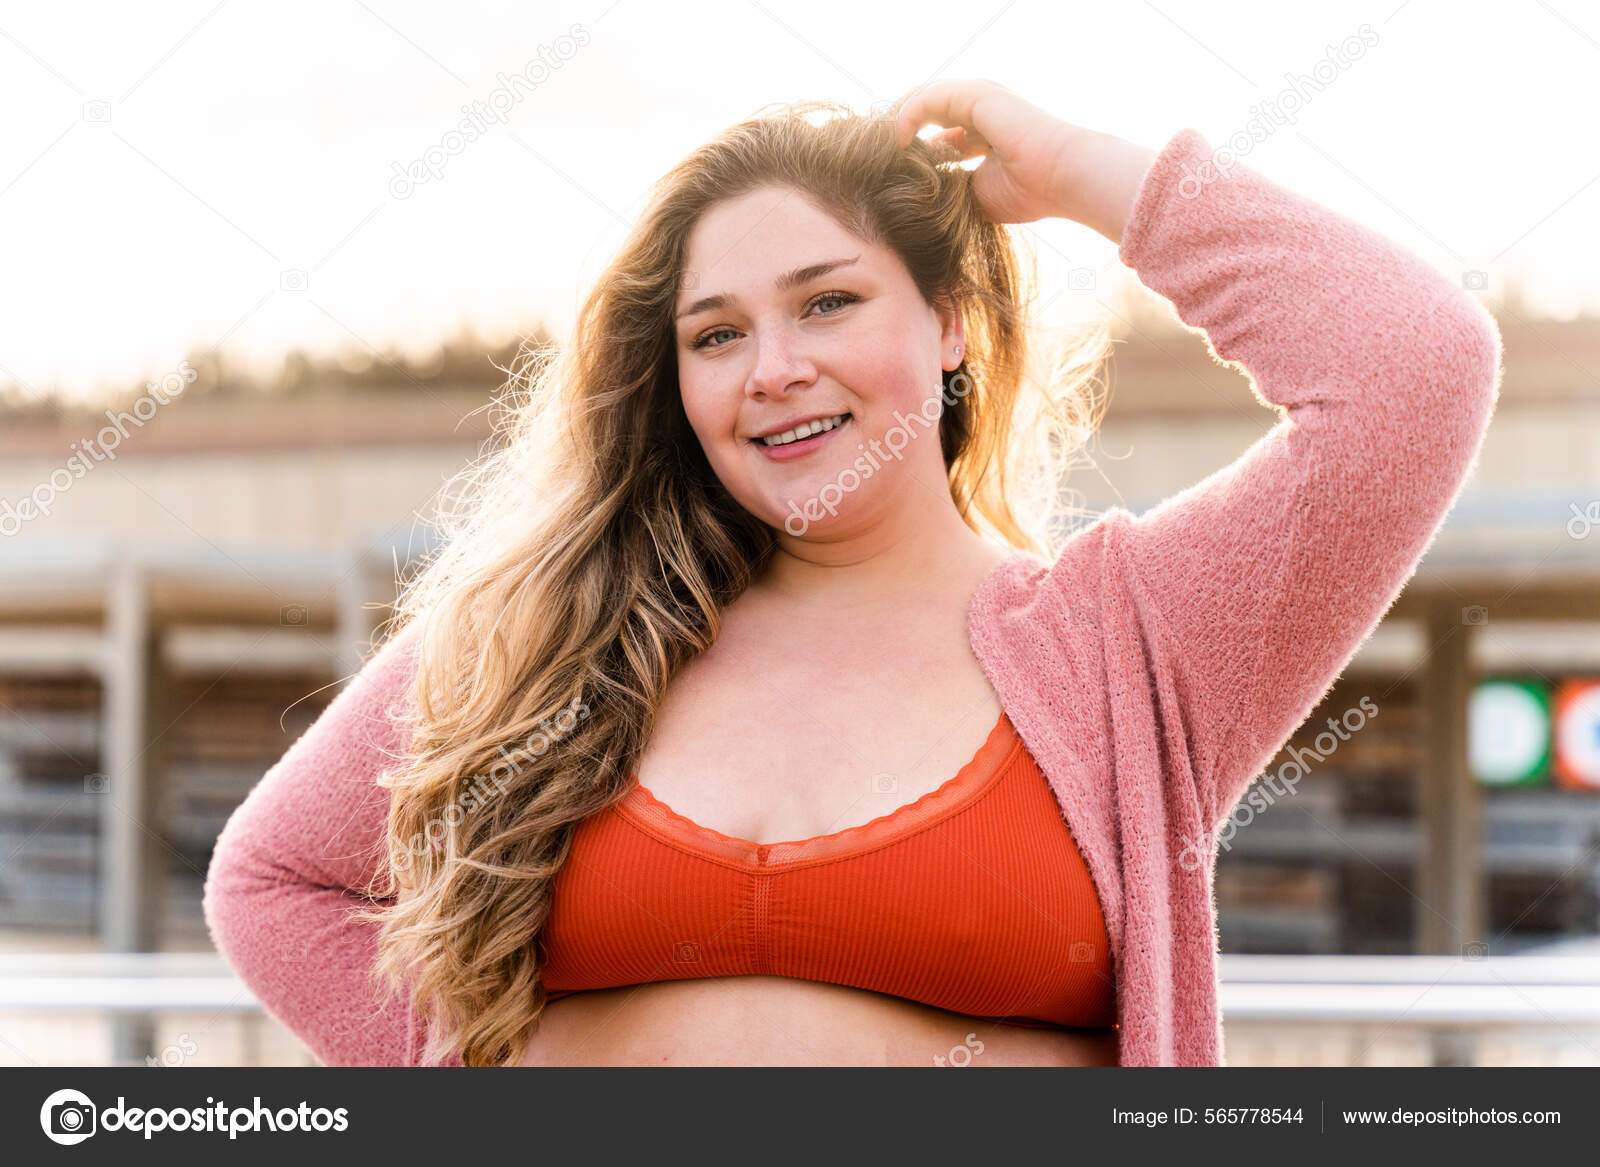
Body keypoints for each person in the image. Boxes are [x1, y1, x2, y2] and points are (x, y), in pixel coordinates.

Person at [202, 79, 1502, 1068]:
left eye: (827, 302)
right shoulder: (555, 630)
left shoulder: (1132, 644)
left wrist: (1078, 173)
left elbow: (1413, 370)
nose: (772, 367)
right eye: (718, 333)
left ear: (947, 322)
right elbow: (271, 886)